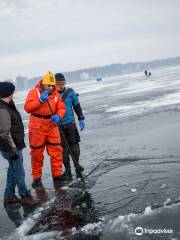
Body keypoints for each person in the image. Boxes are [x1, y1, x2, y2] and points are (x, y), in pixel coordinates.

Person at [24, 72, 66, 188]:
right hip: (37, 127)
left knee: (56, 152)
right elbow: (27, 108)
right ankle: (37, 179)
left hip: (52, 126)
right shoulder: (34, 92)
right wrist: (40, 101)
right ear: (43, 83)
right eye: (48, 85)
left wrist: (59, 116)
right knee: (37, 154)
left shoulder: (56, 94)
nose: (51, 88)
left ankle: (57, 177)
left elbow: (61, 108)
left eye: (52, 85)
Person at [0, 82, 38, 207]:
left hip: (11, 146)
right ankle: (25, 195)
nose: (14, 93)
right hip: (11, 147)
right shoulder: (3, 109)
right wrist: (14, 149)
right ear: (8, 93)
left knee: (12, 170)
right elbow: (5, 133)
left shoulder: (7, 104)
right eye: (12, 91)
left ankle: (9, 196)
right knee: (19, 172)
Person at [55, 73, 85, 179]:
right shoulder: (52, 95)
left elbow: (77, 105)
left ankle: (77, 165)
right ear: (54, 84)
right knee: (62, 149)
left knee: (74, 146)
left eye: (63, 83)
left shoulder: (70, 92)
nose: (61, 85)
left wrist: (81, 118)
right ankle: (67, 169)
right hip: (58, 126)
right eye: (59, 83)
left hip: (70, 124)